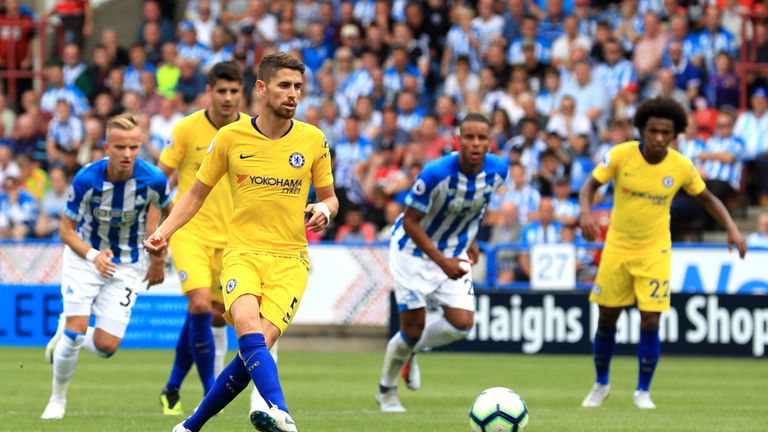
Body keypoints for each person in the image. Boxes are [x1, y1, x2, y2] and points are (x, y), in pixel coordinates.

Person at [145, 52, 337, 432]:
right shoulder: (231, 137)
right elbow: (195, 194)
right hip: (242, 253)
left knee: (254, 350)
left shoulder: (313, 139)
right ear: (262, 89)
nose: (293, 94)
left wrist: (325, 210)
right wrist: (163, 231)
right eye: (285, 85)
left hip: (291, 260)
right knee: (245, 324)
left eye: (298, 87)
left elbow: (330, 197)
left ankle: (189, 426)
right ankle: (282, 412)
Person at [579, 98, 746, 410]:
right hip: (617, 246)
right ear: (642, 129)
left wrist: (733, 228)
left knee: (651, 319)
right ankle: (601, 383)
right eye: (653, 131)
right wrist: (586, 212)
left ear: (675, 135)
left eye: (665, 133)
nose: (658, 138)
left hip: (655, 250)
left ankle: (643, 391)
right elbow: (590, 185)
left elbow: (707, 199)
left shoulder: (681, 165)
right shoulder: (620, 155)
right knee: (607, 317)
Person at [40, 113, 171, 420]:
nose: (127, 154)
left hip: (127, 264)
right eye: (120, 147)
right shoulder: (87, 179)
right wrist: (93, 256)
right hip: (85, 258)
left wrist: (158, 257)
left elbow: (168, 213)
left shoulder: (153, 179)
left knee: (107, 346)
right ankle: (57, 399)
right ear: (106, 147)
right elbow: (66, 231)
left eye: (134, 147)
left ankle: (65, 331)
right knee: (75, 333)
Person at [376, 112, 507, 412]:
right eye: (469, 137)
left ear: (490, 143)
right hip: (412, 252)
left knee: (462, 324)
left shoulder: (499, 170)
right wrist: (442, 261)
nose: (475, 143)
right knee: (412, 328)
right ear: (457, 141)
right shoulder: (435, 173)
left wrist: (469, 238)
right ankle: (387, 391)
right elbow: (410, 222)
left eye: (482, 138)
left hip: (453, 249)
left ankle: (409, 353)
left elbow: (477, 204)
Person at [156, 61, 249, 415]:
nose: (227, 98)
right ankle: (211, 390)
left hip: (232, 238)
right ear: (208, 91)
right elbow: (158, 179)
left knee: (212, 316)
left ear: (242, 92)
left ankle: (172, 387)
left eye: (233, 91)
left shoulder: (251, 131)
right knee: (197, 304)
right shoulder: (186, 129)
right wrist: (156, 227)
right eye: (221, 91)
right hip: (190, 230)